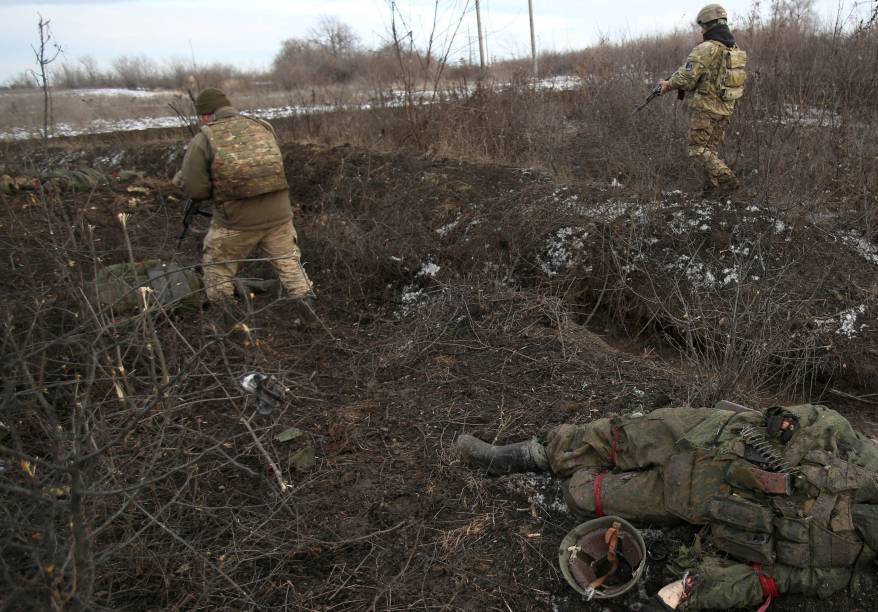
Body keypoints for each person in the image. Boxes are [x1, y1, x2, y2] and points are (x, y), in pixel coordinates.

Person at [457, 403, 878, 610]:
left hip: (698, 500)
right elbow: (828, 419)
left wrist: (692, 594)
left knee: (584, 497)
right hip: (717, 435)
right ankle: (527, 455)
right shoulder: (869, 460)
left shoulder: (846, 565)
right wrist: (789, 422)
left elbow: (771, 580)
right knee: (622, 435)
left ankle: (563, 472)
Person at [175, 87, 316, 318]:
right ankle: (311, 317)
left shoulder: (204, 138)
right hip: (279, 215)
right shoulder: (261, 126)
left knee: (217, 269)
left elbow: (196, 189)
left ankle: (227, 326)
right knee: (290, 266)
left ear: (206, 115)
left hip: (236, 221)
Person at [659, 4, 747, 196]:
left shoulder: (706, 48)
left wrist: (668, 84)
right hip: (726, 109)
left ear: (708, 24)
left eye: (702, 26)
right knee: (710, 150)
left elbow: (686, 77)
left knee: (697, 149)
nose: (701, 30)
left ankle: (731, 182)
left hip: (707, 109)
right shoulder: (732, 47)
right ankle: (711, 190)